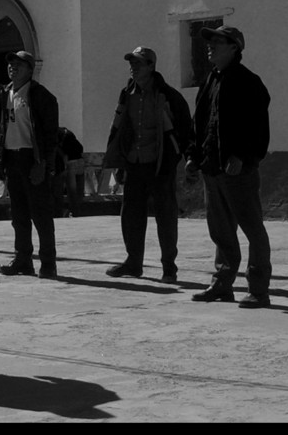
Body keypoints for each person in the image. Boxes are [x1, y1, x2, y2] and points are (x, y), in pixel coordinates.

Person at [186, 25, 273, 309]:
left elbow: (258, 128)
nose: (209, 45)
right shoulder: (210, 80)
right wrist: (193, 155)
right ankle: (223, 283)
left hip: (238, 171)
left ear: (234, 47)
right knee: (220, 230)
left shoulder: (249, 82)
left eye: (218, 41)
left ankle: (258, 289)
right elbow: (199, 123)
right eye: (209, 41)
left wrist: (243, 157)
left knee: (252, 229)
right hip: (212, 168)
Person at [102, 46, 194, 283]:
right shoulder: (126, 94)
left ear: (151, 66)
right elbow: (120, 128)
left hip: (160, 163)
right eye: (131, 62)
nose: (133, 67)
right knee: (130, 216)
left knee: (165, 215)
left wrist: (185, 156)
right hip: (134, 163)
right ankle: (133, 263)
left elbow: (185, 129)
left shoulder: (169, 96)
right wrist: (119, 161)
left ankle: (169, 268)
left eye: (138, 63)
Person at [0, 50, 60, 279]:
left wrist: (43, 164)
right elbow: (1, 130)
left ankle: (48, 263)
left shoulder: (41, 96)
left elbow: (51, 135)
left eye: (19, 64)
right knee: (18, 215)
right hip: (12, 158)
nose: (13, 67)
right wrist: (0, 160)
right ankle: (23, 259)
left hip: (32, 158)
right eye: (11, 63)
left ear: (30, 69)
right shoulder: (4, 94)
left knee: (41, 214)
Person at [52, 127, 86, 218]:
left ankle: (72, 212)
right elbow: (80, 148)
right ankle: (76, 212)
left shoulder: (57, 137)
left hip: (70, 162)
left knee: (72, 191)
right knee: (78, 191)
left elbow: (62, 154)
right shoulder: (69, 135)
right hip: (80, 160)